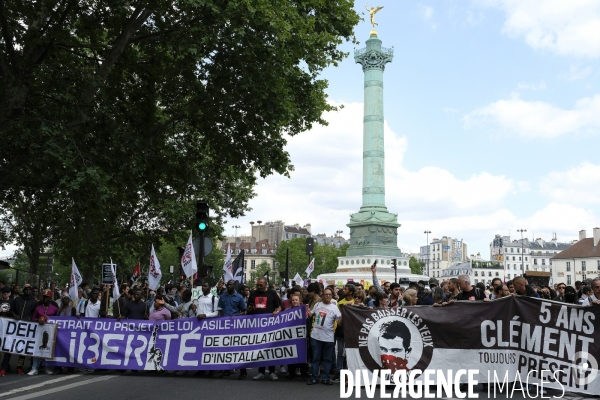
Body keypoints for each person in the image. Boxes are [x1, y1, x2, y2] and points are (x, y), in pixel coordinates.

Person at [247, 277, 281, 381]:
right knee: (260, 349)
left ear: (266, 284)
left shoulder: (272, 293)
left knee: (270, 348)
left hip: (270, 326)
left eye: (261, 285)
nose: (259, 287)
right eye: (258, 285)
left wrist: (277, 311)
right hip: (257, 326)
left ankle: (272, 371)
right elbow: (248, 307)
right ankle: (261, 372)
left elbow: (279, 306)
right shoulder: (253, 293)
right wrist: (250, 309)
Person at [307, 287, 341, 386]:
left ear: (332, 296)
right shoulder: (317, 304)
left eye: (330, 294)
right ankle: (314, 377)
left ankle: (325, 378)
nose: (328, 296)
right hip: (316, 336)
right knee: (315, 358)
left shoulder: (334, 307)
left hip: (328, 337)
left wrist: (344, 315)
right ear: (322, 296)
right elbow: (310, 315)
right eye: (326, 294)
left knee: (327, 359)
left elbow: (339, 322)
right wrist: (306, 309)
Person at [28, 291, 59, 375]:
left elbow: (58, 320)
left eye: (47, 297)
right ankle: (35, 368)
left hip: (50, 331)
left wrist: (49, 319)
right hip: (39, 330)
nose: (45, 298)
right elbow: (33, 318)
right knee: (36, 348)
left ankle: (47, 368)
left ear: (50, 298)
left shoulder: (54, 308)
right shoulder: (38, 308)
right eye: (44, 297)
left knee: (48, 349)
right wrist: (38, 320)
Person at [286, 293, 309, 380]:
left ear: (300, 301)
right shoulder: (287, 311)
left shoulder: (304, 310)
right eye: (293, 300)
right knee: (291, 354)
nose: (294, 301)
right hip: (291, 336)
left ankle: (304, 373)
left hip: (301, 337)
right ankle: (291, 373)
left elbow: (308, 318)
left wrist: (307, 311)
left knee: (302, 354)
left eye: (296, 300)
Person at [0, 287, 15, 376]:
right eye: (4, 292)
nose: (5, 293)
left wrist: (11, 312)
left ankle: (4, 367)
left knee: (7, 347)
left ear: (9, 293)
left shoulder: (13, 302)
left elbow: (16, 313)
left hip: (9, 328)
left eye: (7, 292)